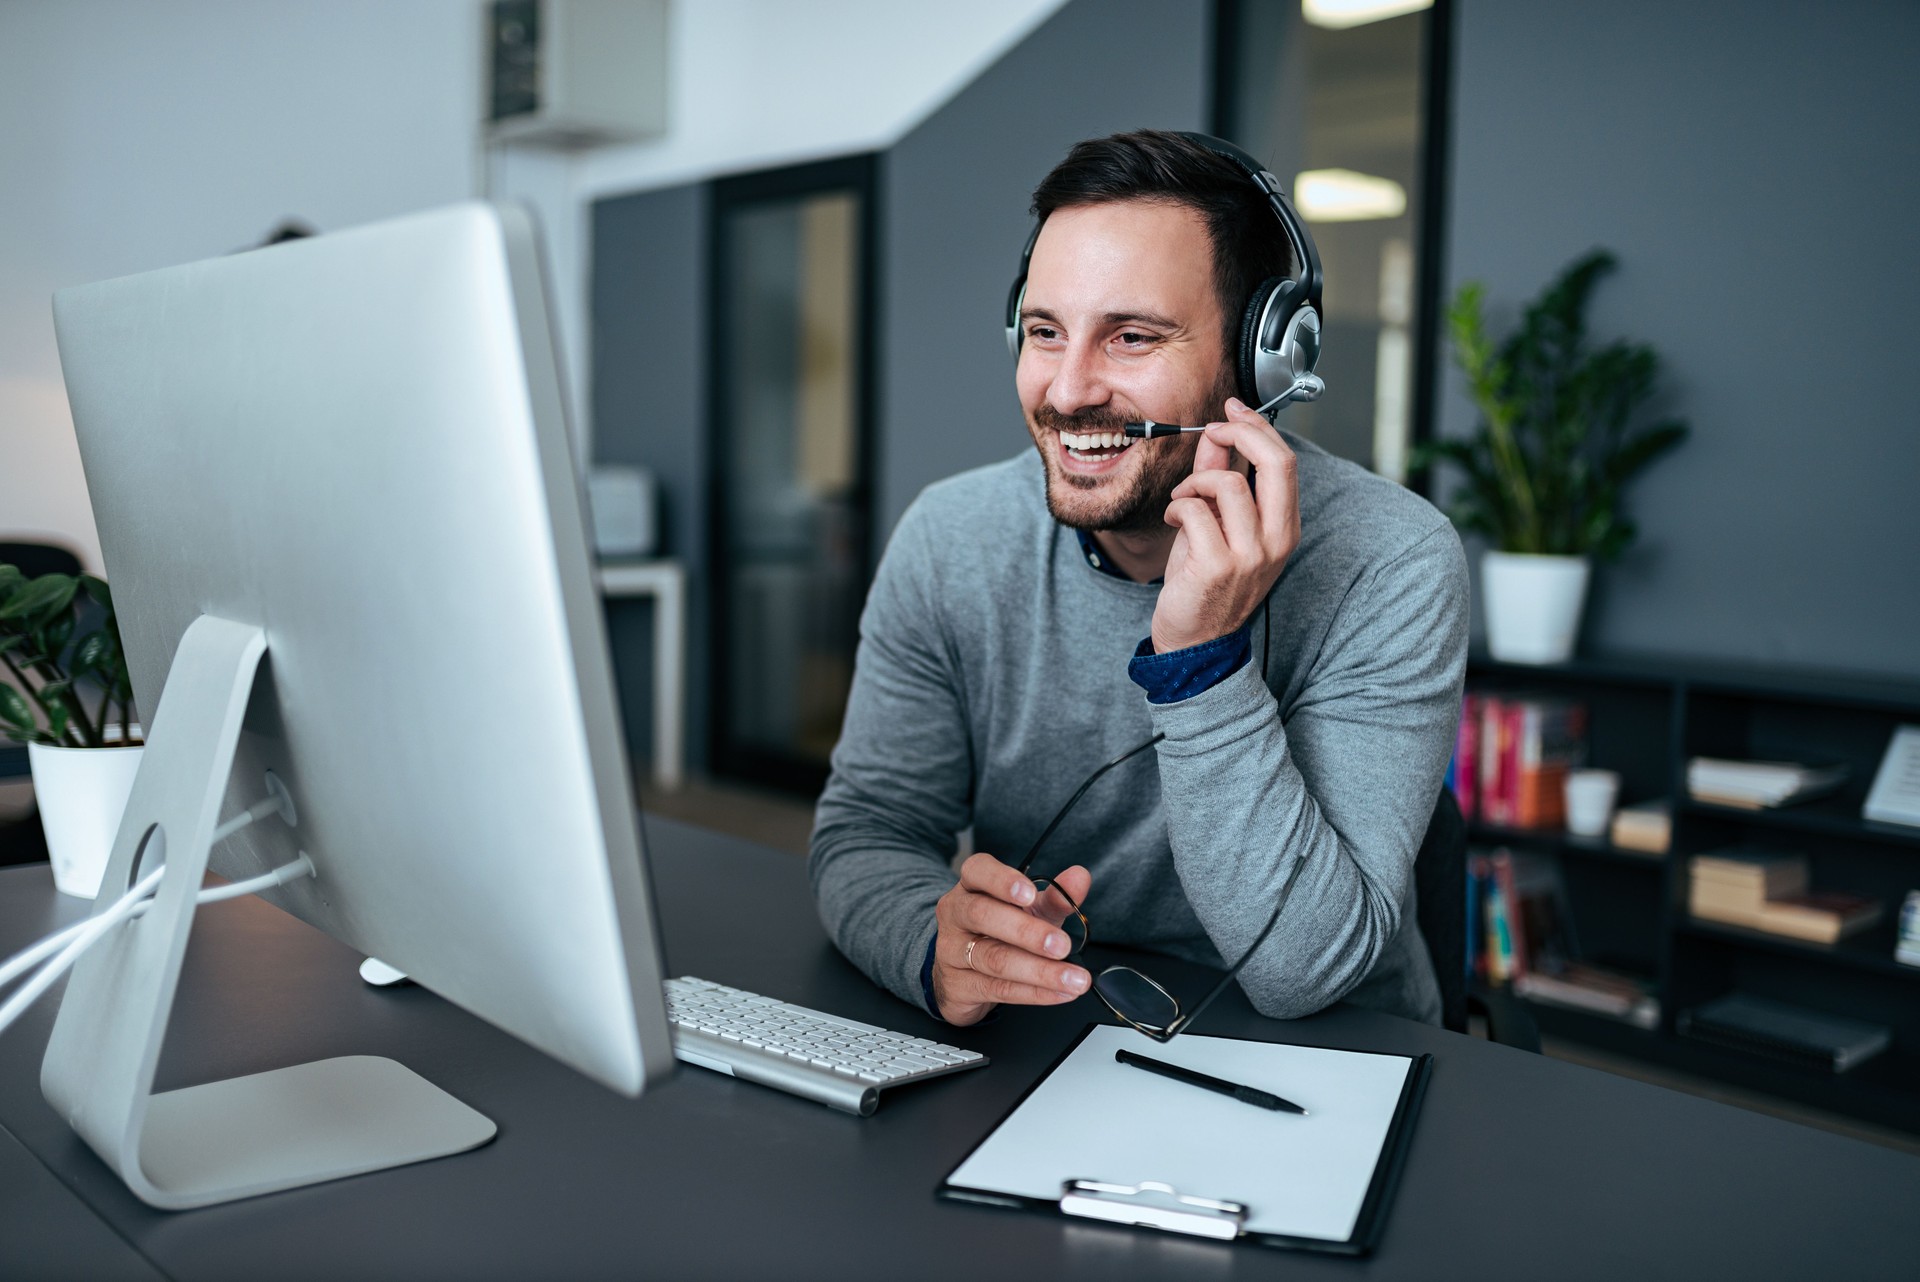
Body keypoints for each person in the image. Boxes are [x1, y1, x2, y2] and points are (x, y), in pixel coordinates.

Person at [808, 130, 1467, 1028]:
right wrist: (932, 947)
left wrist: (1200, 662)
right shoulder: (949, 539)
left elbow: (1303, 973)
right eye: (1045, 332)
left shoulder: (1391, 561)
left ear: (1261, 360)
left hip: (1336, 1057)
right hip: (1063, 1021)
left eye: (1131, 337)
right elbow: (868, 832)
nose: (1069, 390)